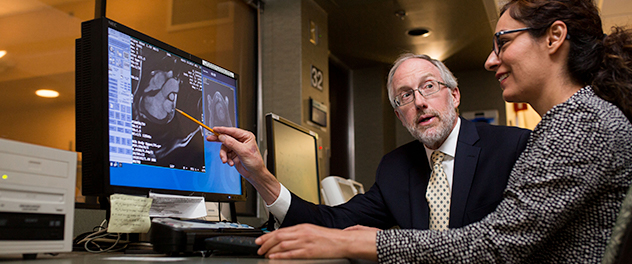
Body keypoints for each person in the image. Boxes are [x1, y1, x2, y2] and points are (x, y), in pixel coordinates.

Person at [239, 0, 632, 262]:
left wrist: (363, 241)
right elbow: (330, 222)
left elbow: (497, 245)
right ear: (399, 116)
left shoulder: (571, 127)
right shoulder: (396, 168)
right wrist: (260, 176)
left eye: (502, 43)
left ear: (554, 37)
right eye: (404, 97)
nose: (491, 59)